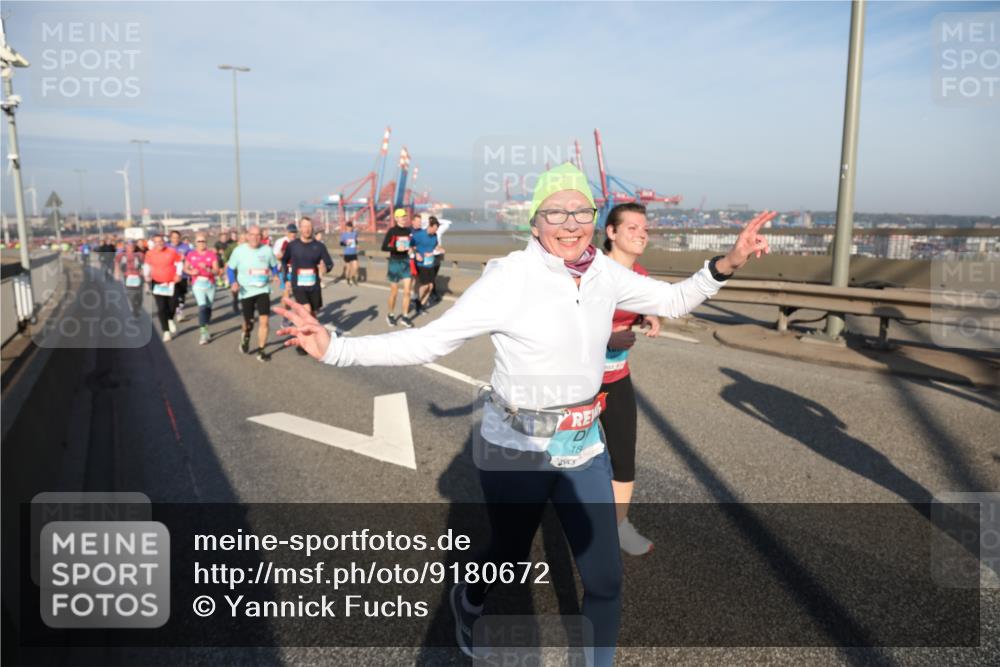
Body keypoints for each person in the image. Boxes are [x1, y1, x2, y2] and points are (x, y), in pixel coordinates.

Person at [275, 162, 776, 664]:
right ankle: (469, 601)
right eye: (555, 212)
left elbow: (672, 298)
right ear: (534, 223)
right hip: (517, 447)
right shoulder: (509, 278)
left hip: (584, 446)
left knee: (605, 580)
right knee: (509, 555)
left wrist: (729, 261)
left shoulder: (604, 272)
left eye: (581, 209)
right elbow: (430, 342)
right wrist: (337, 348)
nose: (571, 223)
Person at [598, 203, 661, 556]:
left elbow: (641, 302)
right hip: (579, 381)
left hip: (617, 376)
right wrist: (607, 337)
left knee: (623, 455)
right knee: (563, 458)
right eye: (633, 227)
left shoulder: (640, 274)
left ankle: (619, 526)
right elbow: (568, 322)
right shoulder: (592, 271)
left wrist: (649, 316)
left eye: (645, 229)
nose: (641, 234)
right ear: (611, 233)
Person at [226, 225, 279, 362]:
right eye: (252, 234)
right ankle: (246, 335)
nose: (255, 237)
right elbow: (230, 269)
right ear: (247, 236)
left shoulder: (267, 250)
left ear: (261, 237)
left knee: (264, 321)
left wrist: (276, 275)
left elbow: (274, 266)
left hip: (263, 290)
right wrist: (233, 282)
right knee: (249, 323)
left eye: (258, 235)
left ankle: (261, 351)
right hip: (246, 291)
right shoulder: (239, 251)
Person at [280, 218, 333, 355]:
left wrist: (325, 268)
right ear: (300, 228)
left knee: (313, 315)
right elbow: (284, 261)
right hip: (298, 285)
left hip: (314, 286)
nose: (307, 229)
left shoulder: (319, 246)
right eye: (304, 226)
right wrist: (285, 278)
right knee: (306, 310)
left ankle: (312, 337)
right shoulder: (293, 245)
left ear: (312, 228)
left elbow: (329, 263)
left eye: (309, 226)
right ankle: (303, 343)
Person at [143, 234, 182, 342]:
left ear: (164, 241)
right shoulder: (149, 253)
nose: (159, 243)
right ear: (153, 243)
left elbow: (179, 263)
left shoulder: (171, 251)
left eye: (161, 241)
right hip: (157, 282)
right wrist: (146, 276)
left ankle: (170, 319)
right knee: (161, 308)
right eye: (157, 241)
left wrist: (178, 274)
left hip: (171, 282)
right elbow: (147, 265)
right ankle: (166, 331)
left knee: (173, 304)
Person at [185, 233, 222, 345]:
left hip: (210, 283)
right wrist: (192, 272)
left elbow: (217, 270)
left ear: (206, 242)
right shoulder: (191, 254)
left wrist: (207, 268)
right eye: (199, 241)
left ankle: (205, 326)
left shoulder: (211, 255)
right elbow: (185, 268)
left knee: (209, 308)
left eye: (203, 241)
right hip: (197, 284)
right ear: (195, 243)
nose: (201, 243)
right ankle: (203, 333)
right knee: (202, 307)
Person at [381, 208, 414, 328]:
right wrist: (395, 248)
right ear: (396, 218)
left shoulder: (408, 230)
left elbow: (411, 244)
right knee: (394, 293)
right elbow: (384, 247)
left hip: (405, 262)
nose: (404, 218)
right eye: (401, 216)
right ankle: (390, 314)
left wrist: (411, 249)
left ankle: (405, 316)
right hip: (394, 262)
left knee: (407, 292)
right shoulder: (392, 231)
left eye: (405, 216)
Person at [410, 218, 441, 314]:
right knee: (424, 285)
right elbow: (410, 245)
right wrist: (417, 254)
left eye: (437, 229)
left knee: (431, 286)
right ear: (430, 226)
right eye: (434, 229)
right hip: (421, 264)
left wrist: (440, 248)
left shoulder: (435, 235)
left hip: (430, 263)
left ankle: (421, 305)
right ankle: (418, 303)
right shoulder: (419, 235)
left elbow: (435, 246)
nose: (435, 231)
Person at [115, 240, 145, 317]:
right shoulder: (121, 255)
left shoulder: (140, 254)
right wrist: (117, 273)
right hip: (127, 277)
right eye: (128, 245)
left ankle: (138, 307)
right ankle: (134, 308)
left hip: (139, 276)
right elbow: (117, 264)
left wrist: (144, 272)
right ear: (125, 246)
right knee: (131, 294)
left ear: (134, 247)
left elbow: (145, 264)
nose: (130, 247)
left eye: (132, 246)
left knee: (139, 295)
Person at [167, 230, 192, 322]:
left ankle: (179, 311)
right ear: (170, 238)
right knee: (173, 295)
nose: (176, 239)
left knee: (182, 294)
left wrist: (185, 258)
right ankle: (173, 312)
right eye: (174, 237)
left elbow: (191, 258)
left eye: (177, 237)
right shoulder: (166, 247)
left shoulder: (185, 247)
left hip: (183, 275)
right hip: (170, 275)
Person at [273, 223, 298, 295]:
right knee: (286, 291)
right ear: (287, 232)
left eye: (294, 232)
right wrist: (284, 255)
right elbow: (276, 255)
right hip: (284, 269)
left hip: (295, 269)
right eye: (291, 232)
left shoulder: (298, 242)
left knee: (298, 292)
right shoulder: (281, 241)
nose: (293, 234)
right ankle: (284, 305)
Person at [223, 231, 244, 315]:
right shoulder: (232, 246)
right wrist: (226, 266)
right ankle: (235, 301)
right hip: (234, 270)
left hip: (244, 272)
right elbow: (225, 256)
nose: (244, 241)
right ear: (239, 239)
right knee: (235, 289)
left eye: (245, 239)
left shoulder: (249, 247)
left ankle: (246, 303)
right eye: (242, 239)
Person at [339, 221, 360, 286]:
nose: (350, 228)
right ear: (346, 227)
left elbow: (356, 241)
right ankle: (348, 278)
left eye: (351, 227)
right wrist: (346, 243)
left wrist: (357, 245)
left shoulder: (354, 233)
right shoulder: (344, 234)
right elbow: (341, 243)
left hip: (354, 252)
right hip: (347, 253)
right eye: (349, 227)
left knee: (356, 267)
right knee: (348, 268)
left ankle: (352, 277)